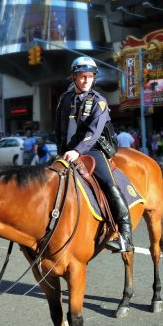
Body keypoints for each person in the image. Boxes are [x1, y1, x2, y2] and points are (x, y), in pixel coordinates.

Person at [55, 56, 134, 253]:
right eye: (82, 76)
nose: (86, 80)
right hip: (67, 152)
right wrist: (61, 152)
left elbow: (93, 133)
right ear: (74, 77)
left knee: (109, 184)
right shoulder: (64, 99)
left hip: (92, 149)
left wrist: (77, 151)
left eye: (90, 77)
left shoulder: (99, 101)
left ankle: (125, 236)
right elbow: (59, 128)